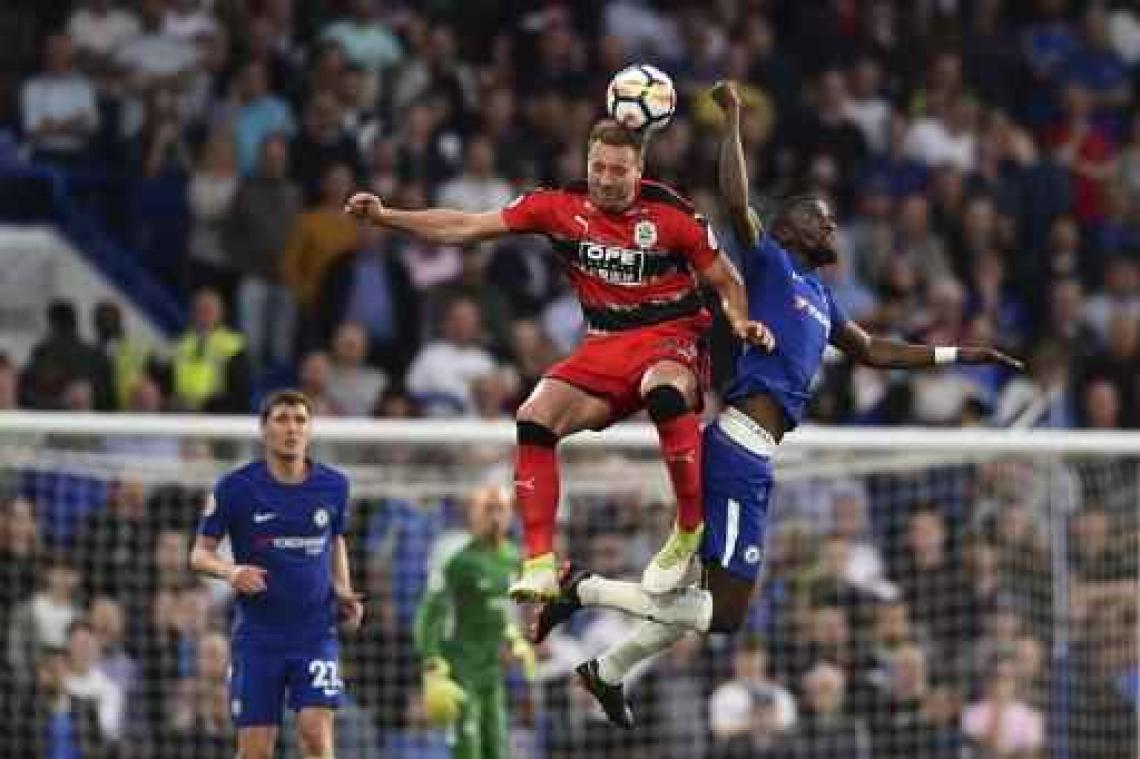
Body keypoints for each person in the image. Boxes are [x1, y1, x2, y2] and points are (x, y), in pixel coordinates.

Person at [530, 82, 1022, 726]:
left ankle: (607, 670)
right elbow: (736, 199)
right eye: (821, 216)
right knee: (727, 612)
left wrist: (963, 354)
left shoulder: (821, 298)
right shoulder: (770, 264)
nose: (832, 224)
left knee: (703, 600)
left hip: (754, 456)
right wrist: (733, 119)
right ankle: (581, 590)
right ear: (792, 228)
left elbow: (873, 350)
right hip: (737, 445)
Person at [346, 118, 773, 602]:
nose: (607, 179)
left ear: (640, 170)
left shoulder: (673, 215)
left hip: (671, 338)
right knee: (533, 416)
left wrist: (739, 321)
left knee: (664, 390)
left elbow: (727, 280)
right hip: (604, 344)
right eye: (598, 168)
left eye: (619, 170)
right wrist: (386, 216)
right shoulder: (557, 207)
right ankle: (539, 564)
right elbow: (465, 226)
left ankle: (689, 528)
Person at [188, 390, 364, 759]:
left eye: (300, 420)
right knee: (256, 751)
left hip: (315, 632)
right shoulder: (235, 488)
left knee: (316, 735)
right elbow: (199, 554)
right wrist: (230, 571)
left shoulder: (334, 486)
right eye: (282, 419)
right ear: (263, 430)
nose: (292, 428)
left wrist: (343, 588)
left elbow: (335, 540)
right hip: (258, 638)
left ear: (310, 430)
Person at [412, 485, 535, 759]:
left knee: (497, 748)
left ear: (511, 514)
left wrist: (515, 640)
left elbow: (503, 611)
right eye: (487, 510)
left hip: (492, 671)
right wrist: (432, 665)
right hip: (460, 669)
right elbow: (429, 614)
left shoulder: (513, 558)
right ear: (473, 515)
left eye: (500, 510)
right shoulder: (457, 560)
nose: (495, 517)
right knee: (468, 750)